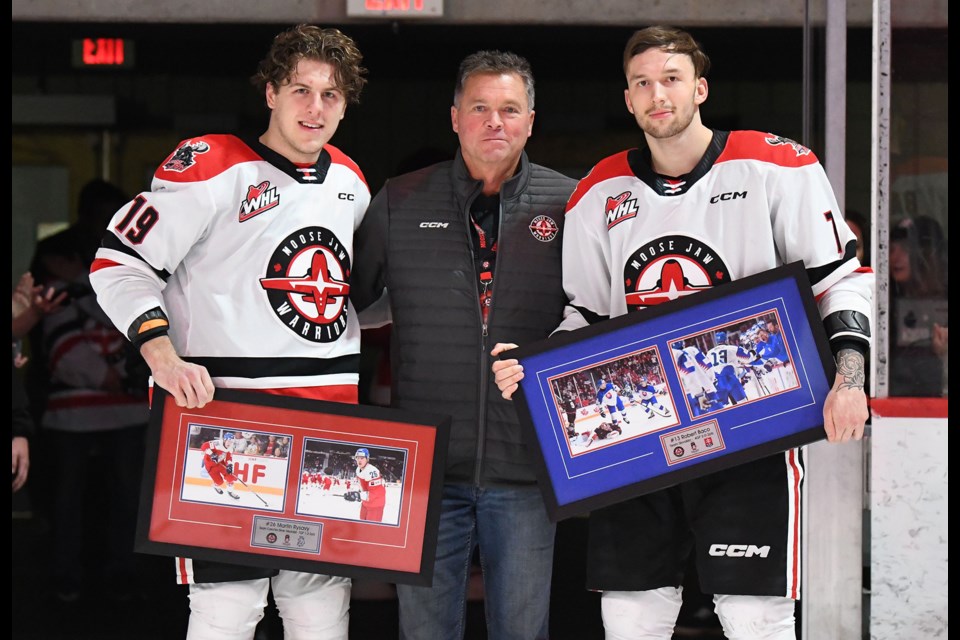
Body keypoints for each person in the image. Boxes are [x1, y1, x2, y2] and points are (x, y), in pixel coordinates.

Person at [493, 26, 872, 639]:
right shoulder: (597, 191)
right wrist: (535, 367)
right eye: (642, 83)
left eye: (670, 79)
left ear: (699, 88)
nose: (657, 94)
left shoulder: (777, 163)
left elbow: (840, 281)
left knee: (755, 616)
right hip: (638, 434)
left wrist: (849, 378)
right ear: (627, 99)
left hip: (755, 424)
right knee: (630, 613)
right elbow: (588, 320)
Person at [88, 24, 370, 639]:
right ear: (270, 92)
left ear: (346, 104)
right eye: (301, 89)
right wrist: (160, 354)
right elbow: (117, 262)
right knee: (226, 611)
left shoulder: (351, 181)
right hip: (226, 418)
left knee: (322, 613)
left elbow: (346, 299)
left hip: (327, 421)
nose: (315, 107)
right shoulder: (210, 165)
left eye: (331, 94)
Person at [351, 50, 577, 639]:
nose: (494, 122)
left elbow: (598, 315)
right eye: (480, 107)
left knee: (522, 632)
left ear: (531, 120)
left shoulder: (571, 203)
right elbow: (342, 304)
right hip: (424, 466)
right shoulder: (400, 201)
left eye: (509, 109)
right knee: (424, 631)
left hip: (527, 466)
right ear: (455, 117)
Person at [24, 181, 152, 605]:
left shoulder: (136, 252)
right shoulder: (54, 253)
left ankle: (121, 572)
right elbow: (47, 320)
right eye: (105, 215)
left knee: (127, 493)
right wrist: (105, 374)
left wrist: (79, 282)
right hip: (72, 402)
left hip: (125, 401)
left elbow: (135, 315)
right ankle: (67, 572)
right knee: (68, 494)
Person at [889, 215, 948, 396]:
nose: (895, 257)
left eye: (906, 249)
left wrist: (944, 355)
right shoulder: (882, 297)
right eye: (891, 249)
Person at [349, 447, 386, 522]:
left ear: (367, 459)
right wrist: (353, 494)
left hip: (376, 504)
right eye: (357, 458)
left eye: (362, 458)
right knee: (362, 521)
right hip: (366, 502)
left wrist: (358, 495)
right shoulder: (358, 469)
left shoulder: (372, 471)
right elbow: (362, 487)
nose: (359, 460)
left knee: (371, 528)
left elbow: (375, 492)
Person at [201, 431, 240, 499]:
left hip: (221, 464)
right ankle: (216, 485)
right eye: (228, 441)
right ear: (225, 440)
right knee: (219, 482)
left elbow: (229, 458)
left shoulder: (230, 447)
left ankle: (230, 491)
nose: (230, 443)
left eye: (232, 442)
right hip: (211, 465)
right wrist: (212, 454)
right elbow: (203, 446)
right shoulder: (217, 443)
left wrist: (229, 465)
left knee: (230, 477)